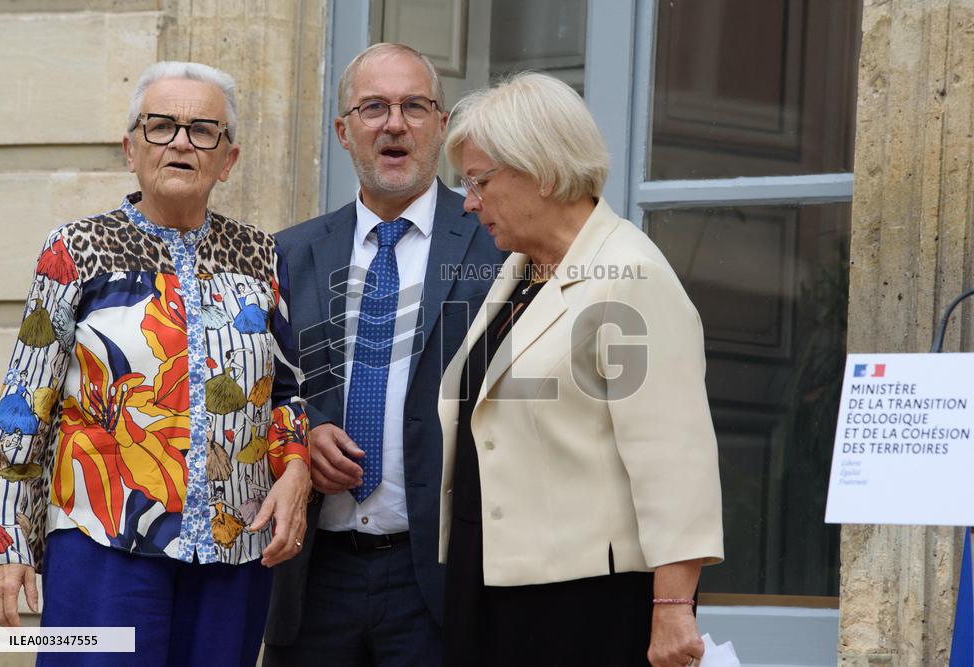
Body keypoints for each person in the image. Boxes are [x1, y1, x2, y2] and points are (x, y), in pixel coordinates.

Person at [0, 61, 311, 667]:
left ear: (227, 159)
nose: (181, 141)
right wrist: (5, 542)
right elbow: (23, 403)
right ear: (131, 149)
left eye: (203, 129)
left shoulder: (262, 255)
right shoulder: (75, 248)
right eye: (161, 126)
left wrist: (295, 470)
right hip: (99, 543)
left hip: (233, 551)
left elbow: (284, 391)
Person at [437, 72, 725, 667]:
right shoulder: (523, 269)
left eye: (478, 181)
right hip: (496, 584)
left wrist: (674, 606)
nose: (468, 203)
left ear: (540, 170)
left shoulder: (628, 275)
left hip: (579, 605)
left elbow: (674, 457)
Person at [263, 43, 504, 666]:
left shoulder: (496, 247)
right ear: (343, 131)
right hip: (316, 578)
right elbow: (258, 390)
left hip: (440, 579)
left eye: (414, 106)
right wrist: (303, 434)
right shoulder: (286, 256)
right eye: (373, 108)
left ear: (442, 127)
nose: (394, 124)